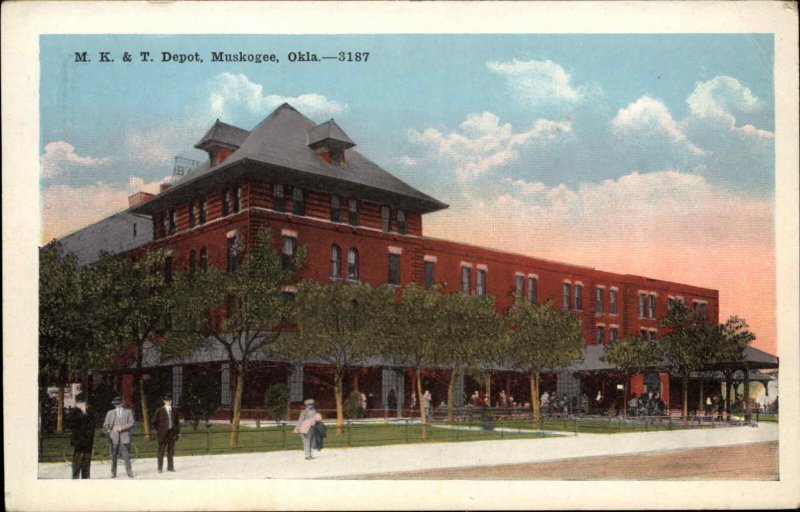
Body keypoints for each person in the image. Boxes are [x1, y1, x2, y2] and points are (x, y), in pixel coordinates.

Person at [102, 396, 135, 478]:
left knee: (126, 456)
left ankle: (129, 471)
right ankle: (113, 473)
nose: (117, 406)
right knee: (113, 456)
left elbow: (132, 423)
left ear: (122, 404)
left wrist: (122, 427)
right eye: (116, 404)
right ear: (114, 405)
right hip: (113, 438)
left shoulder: (128, 412)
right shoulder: (110, 413)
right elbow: (106, 424)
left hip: (125, 437)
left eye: (119, 404)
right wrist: (109, 431)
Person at [152, 393, 180, 473]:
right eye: (167, 400)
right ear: (164, 401)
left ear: (171, 401)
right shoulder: (160, 410)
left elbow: (177, 423)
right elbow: (154, 422)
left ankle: (170, 467)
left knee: (170, 451)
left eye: (170, 400)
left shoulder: (174, 410)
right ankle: (160, 468)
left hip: (171, 433)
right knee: (161, 451)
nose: (168, 402)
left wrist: (176, 433)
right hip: (163, 433)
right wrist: (159, 429)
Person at [68, 400, 95, 479]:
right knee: (78, 460)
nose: (83, 405)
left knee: (87, 461)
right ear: (78, 404)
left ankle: (86, 477)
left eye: (84, 403)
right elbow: (71, 425)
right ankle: (75, 477)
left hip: (88, 441)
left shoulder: (89, 413)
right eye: (81, 403)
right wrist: (81, 412)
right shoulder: (74, 413)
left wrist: (91, 437)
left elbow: (92, 426)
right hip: (79, 441)